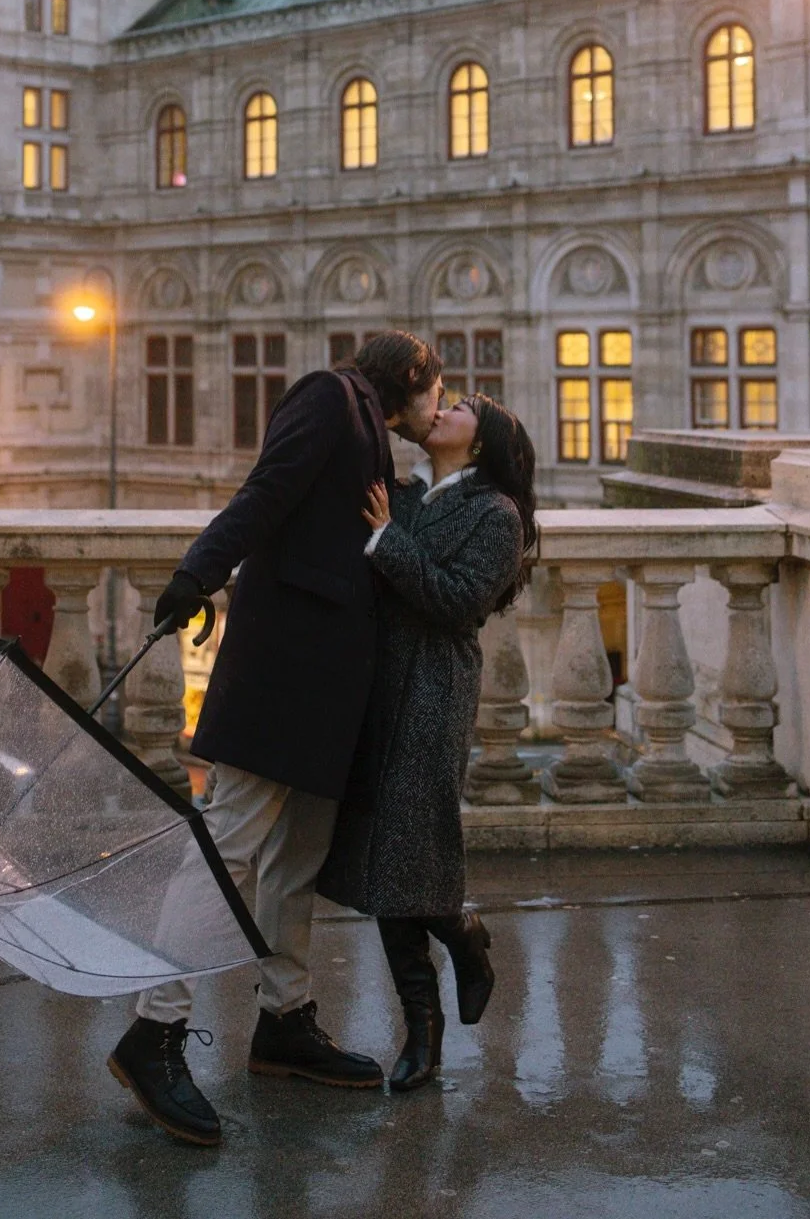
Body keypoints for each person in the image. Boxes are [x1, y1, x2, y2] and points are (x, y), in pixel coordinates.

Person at [108, 332, 444, 1146]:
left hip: (324, 686)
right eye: (437, 392)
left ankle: (284, 1019)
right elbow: (266, 492)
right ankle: (154, 1028)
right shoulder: (328, 396)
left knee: (297, 856)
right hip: (285, 673)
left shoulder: (363, 423)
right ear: (410, 376)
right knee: (226, 847)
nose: (437, 408)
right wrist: (198, 570)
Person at [318, 393, 537, 1092]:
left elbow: (455, 601)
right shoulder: (404, 491)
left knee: (407, 846)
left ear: (482, 442)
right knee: (389, 855)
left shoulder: (496, 515)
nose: (444, 408)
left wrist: (387, 539)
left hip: (436, 687)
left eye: (462, 407)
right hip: (377, 682)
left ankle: (433, 1006)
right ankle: (444, 972)